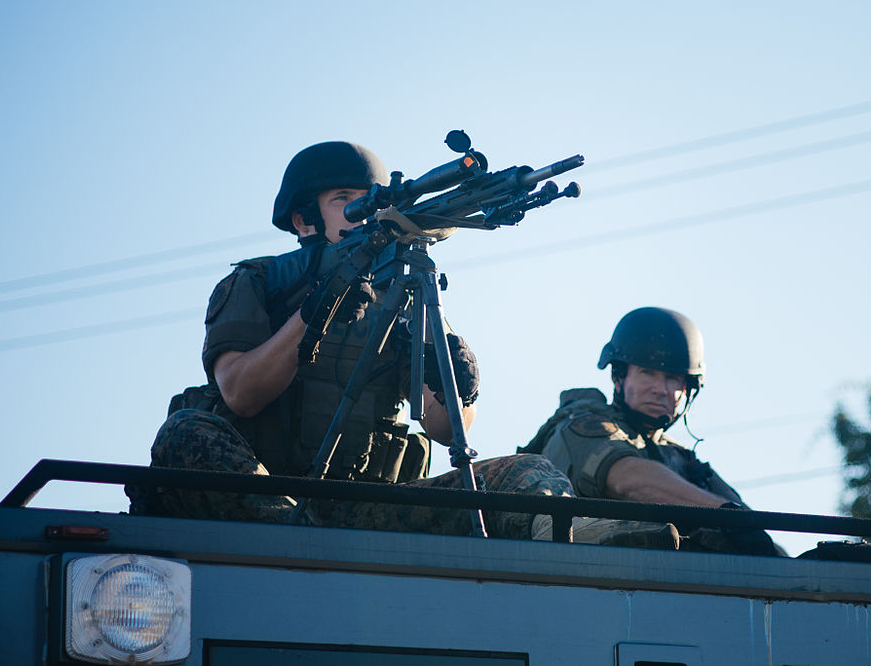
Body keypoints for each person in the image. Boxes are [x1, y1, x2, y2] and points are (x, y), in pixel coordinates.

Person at [128, 141, 673, 547]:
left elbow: (444, 426)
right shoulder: (258, 283)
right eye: (344, 199)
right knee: (185, 436)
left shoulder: (402, 292)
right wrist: (316, 308)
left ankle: (577, 535)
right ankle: (292, 539)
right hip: (266, 505)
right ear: (302, 218)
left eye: (368, 200)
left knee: (524, 473)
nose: (361, 209)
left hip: (369, 513)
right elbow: (241, 393)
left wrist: (451, 366)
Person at [520, 306, 786, 555]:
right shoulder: (582, 425)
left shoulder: (682, 461)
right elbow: (626, 478)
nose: (661, 389)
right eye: (647, 373)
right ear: (618, 377)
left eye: (673, 378)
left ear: (687, 389)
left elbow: (752, 527)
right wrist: (725, 515)